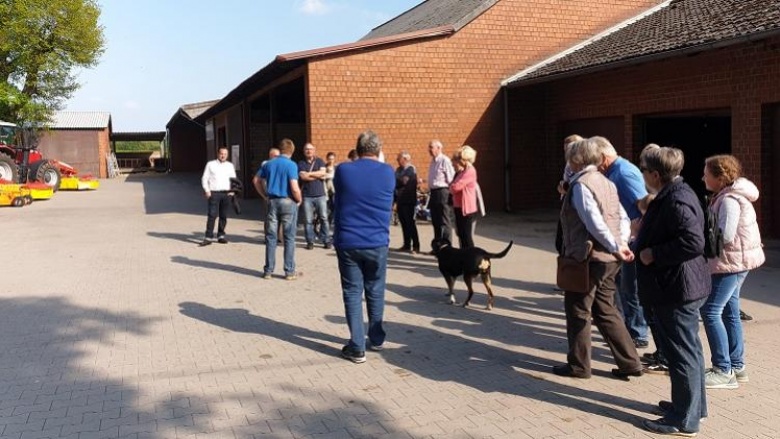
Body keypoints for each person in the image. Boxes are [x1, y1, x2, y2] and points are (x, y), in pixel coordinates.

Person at [634, 146, 710, 437]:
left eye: (644, 170)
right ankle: (691, 406)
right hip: (678, 285)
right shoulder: (674, 193)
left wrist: (653, 253)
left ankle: (684, 419)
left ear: (655, 174)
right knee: (688, 350)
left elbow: (692, 242)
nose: (642, 175)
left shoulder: (677, 199)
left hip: (677, 288)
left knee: (681, 354)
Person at [552, 138, 642, 380]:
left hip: (588, 258)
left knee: (578, 309)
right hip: (609, 258)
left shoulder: (582, 185)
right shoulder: (606, 182)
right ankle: (630, 362)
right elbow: (622, 216)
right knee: (605, 309)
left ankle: (579, 366)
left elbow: (593, 222)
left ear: (577, 159)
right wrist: (621, 243)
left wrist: (616, 246)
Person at [700, 154, 765, 389]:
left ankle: (723, 370)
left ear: (720, 177)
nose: (702, 177)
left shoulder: (729, 200)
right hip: (735, 261)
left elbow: (724, 236)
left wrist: (701, 243)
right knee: (729, 310)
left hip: (731, 263)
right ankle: (736, 367)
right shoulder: (728, 196)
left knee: (710, 311)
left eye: (706, 173)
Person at [333, 130, 395, 364]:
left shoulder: (343, 170)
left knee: (352, 291)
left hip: (348, 240)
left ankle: (357, 347)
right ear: (379, 150)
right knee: (375, 289)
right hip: (377, 241)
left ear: (358, 149)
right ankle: (376, 338)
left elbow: (339, 195)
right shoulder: (388, 171)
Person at [592, 136, 651, 350]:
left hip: (633, 240)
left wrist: (637, 235)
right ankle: (629, 326)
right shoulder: (613, 171)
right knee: (622, 286)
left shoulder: (624, 173)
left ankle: (638, 333)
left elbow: (644, 206)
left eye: (593, 159)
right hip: (623, 238)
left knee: (630, 288)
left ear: (603, 157)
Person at [253, 139, 302, 280]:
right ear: (292, 151)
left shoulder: (269, 164)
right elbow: (294, 186)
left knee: (271, 237)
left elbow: (256, 180)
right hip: (288, 201)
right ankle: (289, 271)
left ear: (280, 150)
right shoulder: (292, 165)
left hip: (272, 201)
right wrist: (299, 199)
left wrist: (264, 195)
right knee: (289, 238)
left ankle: (268, 271)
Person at [199, 146, 237, 246]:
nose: (223, 155)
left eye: (225, 154)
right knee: (212, 215)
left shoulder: (230, 165)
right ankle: (208, 237)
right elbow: (204, 178)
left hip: (226, 193)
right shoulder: (210, 164)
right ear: (218, 154)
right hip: (214, 193)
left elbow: (234, 180)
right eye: (221, 153)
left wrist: (233, 191)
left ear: (227, 155)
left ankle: (221, 235)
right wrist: (207, 190)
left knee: (223, 215)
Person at [298, 143, 331, 250]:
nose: (309, 151)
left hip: (320, 195)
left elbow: (323, 173)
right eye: (306, 149)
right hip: (307, 196)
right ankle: (310, 241)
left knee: (324, 218)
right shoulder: (301, 163)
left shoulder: (320, 161)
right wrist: (317, 175)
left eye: (311, 149)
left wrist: (310, 174)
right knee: (308, 220)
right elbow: (303, 177)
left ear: (314, 150)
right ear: (304, 151)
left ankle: (326, 240)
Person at [449, 145, 481, 249]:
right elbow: (453, 185)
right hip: (458, 207)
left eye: (458, 159)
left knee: (466, 236)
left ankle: (470, 257)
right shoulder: (462, 171)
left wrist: (452, 186)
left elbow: (455, 187)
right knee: (461, 234)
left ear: (464, 159)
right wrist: (452, 185)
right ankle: (464, 256)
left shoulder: (470, 171)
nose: (457, 162)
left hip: (466, 209)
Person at [427, 139, 455, 252]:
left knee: (444, 220)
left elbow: (451, 178)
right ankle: (438, 246)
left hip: (442, 191)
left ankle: (448, 247)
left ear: (439, 148)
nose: (429, 149)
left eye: (431, 147)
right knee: (435, 220)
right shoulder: (433, 161)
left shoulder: (445, 160)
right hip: (433, 192)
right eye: (429, 147)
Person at [393, 151, 420, 254]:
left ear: (405, 159)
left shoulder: (410, 169)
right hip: (400, 199)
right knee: (403, 222)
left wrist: (397, 180)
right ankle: (407, 244)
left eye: (398, 158)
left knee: (410, 223)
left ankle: (416, 246)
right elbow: (395, 180)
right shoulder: (398, 170)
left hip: (408, 199)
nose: (397, 160)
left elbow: (404, 181)